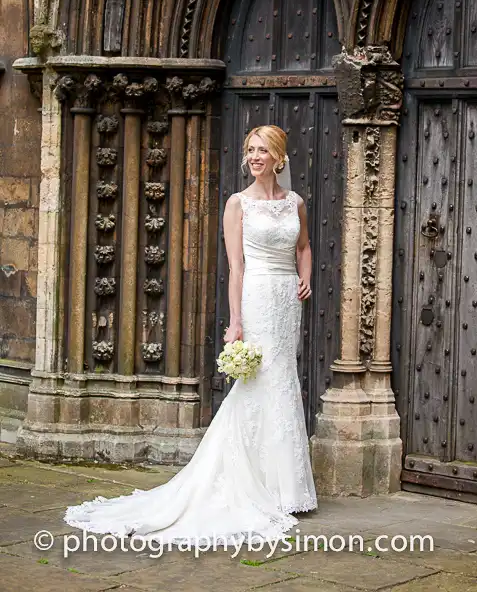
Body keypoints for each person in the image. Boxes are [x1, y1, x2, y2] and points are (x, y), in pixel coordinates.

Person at [64, 124, 317, 547]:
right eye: (250, 150)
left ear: (279, 157)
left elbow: (304, 247)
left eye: (262, 150)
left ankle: (284, 487)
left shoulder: (295, 203)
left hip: (286, 301)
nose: (254, 157)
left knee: (282, 382)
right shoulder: (238, 205)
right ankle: (249, 480)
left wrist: (305, 279)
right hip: (256, 297)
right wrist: (236, 321)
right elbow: (236, 267)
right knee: (257, 383)